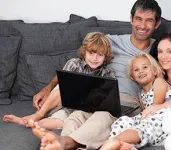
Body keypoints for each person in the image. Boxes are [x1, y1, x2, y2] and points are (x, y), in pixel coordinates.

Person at [25, 0, 163, 149]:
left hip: (127, 103)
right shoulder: (110, 41)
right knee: (76, 117)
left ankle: (65, 142)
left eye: (149, 21)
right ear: (131, 19)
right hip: (95, 97)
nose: (142, 26)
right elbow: (76, 65)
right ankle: (59, 144)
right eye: (138, 19)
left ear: (157, 23)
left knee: (102, 116)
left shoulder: (160, 50)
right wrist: (48, 88)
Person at [3, 32, 115, 130]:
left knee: (61, 122)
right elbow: (64, 83)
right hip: (63, 103)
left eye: (100, 55)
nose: (95, 58)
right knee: (62, 88)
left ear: (105, 57)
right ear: (84, 51)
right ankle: (38, 115)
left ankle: (32, 123)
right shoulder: (74, 64)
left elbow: (106, 98)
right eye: (91, 53)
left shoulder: (108, 74)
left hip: (82, 110)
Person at [105, 53, 171, 149]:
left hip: (165, 118)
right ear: (132, 77)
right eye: (136, 70)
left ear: (155, 71)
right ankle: (123, 145)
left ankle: (112, 143)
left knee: (143, 126)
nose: (141, 71)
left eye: (145, 67)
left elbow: (156, 106)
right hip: (150, 121)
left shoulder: (159, 82)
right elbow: (144, 112)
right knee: (123, 120)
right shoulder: (140, 93)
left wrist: (141, 121)